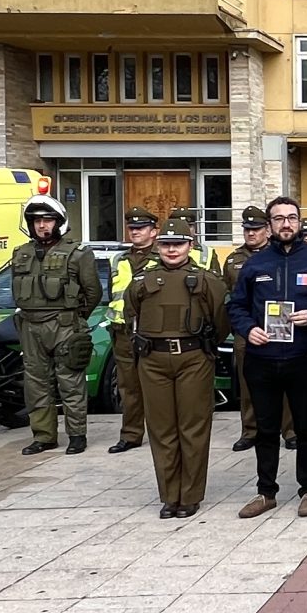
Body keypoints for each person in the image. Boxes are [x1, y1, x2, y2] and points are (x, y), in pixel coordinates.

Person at [231, 196, 307, 518]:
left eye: (292, 218)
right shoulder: (255, 264)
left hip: (303, 356)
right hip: (262, 359)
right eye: (279, 219)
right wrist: (249, 330)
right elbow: (235, 306)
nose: (286, 224)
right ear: (269, 225)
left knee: (306, 427)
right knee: (265, 428)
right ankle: (266, 492)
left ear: (300, 221)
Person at [125, 217, 227, 518]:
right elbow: (132, 311)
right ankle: (170, 496)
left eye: (178, 244)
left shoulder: (206, 280)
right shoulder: (142, 280)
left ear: (190, 246)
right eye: (167, 244)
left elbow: (221, 319)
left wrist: (205, 348)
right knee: (161, 429)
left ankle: (191, 495)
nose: (172, 250)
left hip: (193, 357)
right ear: (158, 246)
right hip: (153, 359)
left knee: (192, 428)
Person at [13, 195, 102, 457]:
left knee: (71, 382)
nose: (42, 226)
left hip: (64, 324)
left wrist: (75, 316)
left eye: (47, 220)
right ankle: (44, 436)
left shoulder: (78, 254)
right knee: (36, 383)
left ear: (59, 222)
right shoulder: (21, 253)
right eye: (37, 221)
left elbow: (93, 292)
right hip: (30, 326)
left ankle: (76, 435)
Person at [221, 206, 285, 452]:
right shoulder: (234, 259)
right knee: (248, 383)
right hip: (247, 330)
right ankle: (250, 430)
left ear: (267, 230)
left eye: (256, 229)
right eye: (247, 229)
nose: (251, 234)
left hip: (279, 327)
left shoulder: (279, 255)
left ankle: (288, 431)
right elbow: (227, 295)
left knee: (285, 384)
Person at [105, 207, 163, 454]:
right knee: (128, 387)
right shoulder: (118, 260)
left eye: (141, 228)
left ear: (154, 232)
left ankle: (162, 436)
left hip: (153, 333)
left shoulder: (163, 258)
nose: (135, 232)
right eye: (132, 228)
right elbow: (111, 293)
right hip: (124, 332)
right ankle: (130, 434)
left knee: (157, 387)